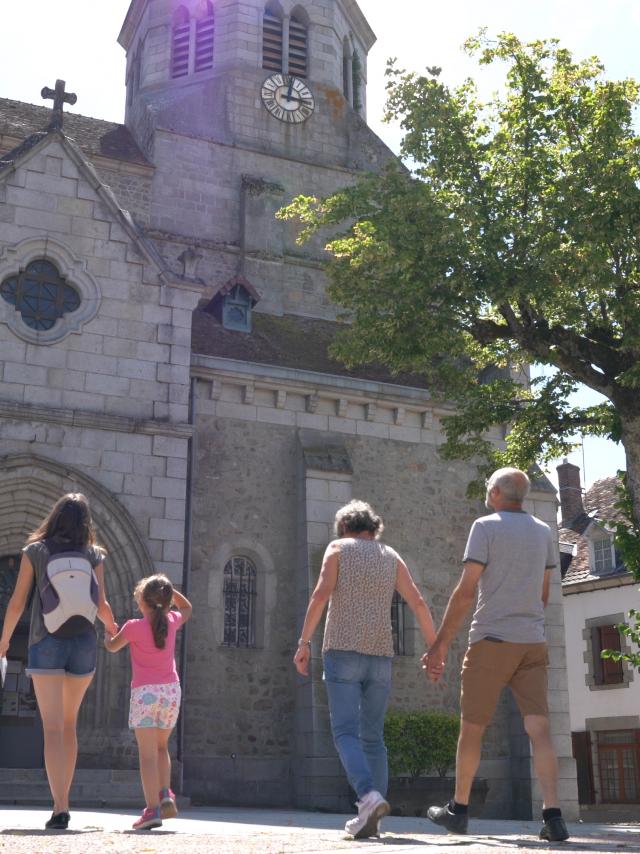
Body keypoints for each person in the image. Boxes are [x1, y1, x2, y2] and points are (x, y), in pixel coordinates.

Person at [423, 467, 569, 842]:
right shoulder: (543, 533)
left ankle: (458, 810)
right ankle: (553, 816)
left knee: (472, 727)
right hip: (532, 641)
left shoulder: (485, 527)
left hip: (491, 640)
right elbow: (543, 593)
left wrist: (439, 643)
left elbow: (466, 590)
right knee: (539, 729)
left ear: (495, 493)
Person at [293, 499, 439, 839]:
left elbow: (321, 594)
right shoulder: (391, 556)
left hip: (342, 650)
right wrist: (435, 649)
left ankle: (368, 797)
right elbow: (417, 600)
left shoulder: (338, 548)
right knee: (373, 737)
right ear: (375, 529)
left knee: (345, 731)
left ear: (344, 527)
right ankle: (374, 813)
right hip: (380, 656)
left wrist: (303, 642)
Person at [0, 493, 118, 830]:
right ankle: (64, 802)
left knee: (52, 728)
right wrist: (112, 629)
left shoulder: (35, 551)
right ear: (86, 522)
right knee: (69, 725)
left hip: (45, 640)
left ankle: (60, 807)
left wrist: (5, 640)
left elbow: (17, 602)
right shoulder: (94, 554)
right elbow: (102, 603)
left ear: (53, 517)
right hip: (83, 642)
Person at [104, 573, 192, 831]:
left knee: (146, 755)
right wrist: (170, 590)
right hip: (170, 692)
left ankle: (152, 810)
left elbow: (111, 647)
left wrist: (108, 635)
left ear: (142, 602)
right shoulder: (173, 620)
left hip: (144, 695)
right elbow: (187, 607)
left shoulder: (132, 627)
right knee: (162, 748)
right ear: (166, 603)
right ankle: (165, 793)